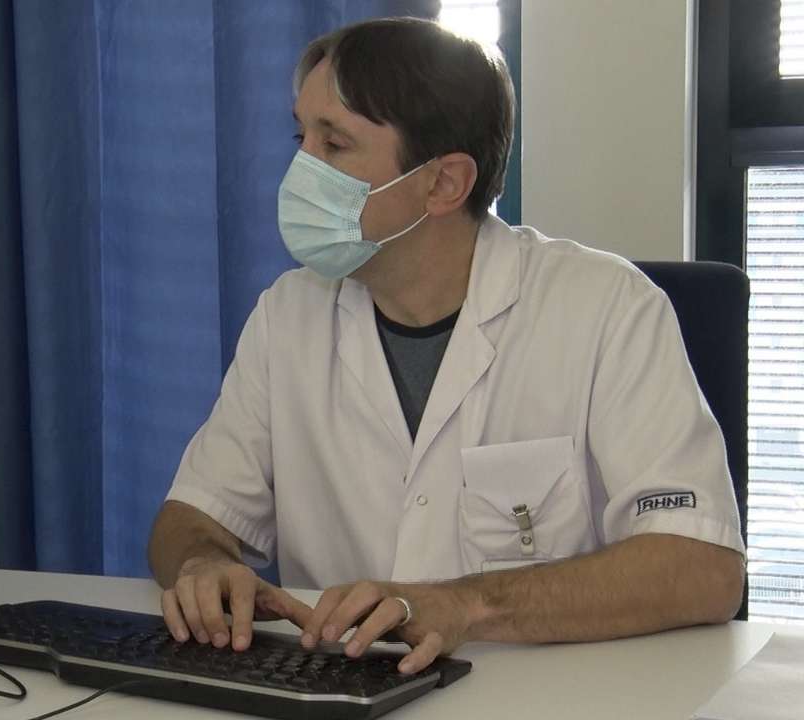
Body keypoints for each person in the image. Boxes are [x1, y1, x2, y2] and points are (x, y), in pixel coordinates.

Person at [147, 16, 746, 676]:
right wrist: (202, 564)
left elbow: (703, 568)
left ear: (443, 183)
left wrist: (466, 604)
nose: (300, 170)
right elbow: (189, 516)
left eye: (334, 145)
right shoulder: (288, 316)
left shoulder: (608, 308)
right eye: (301, 137)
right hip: (340, 690)